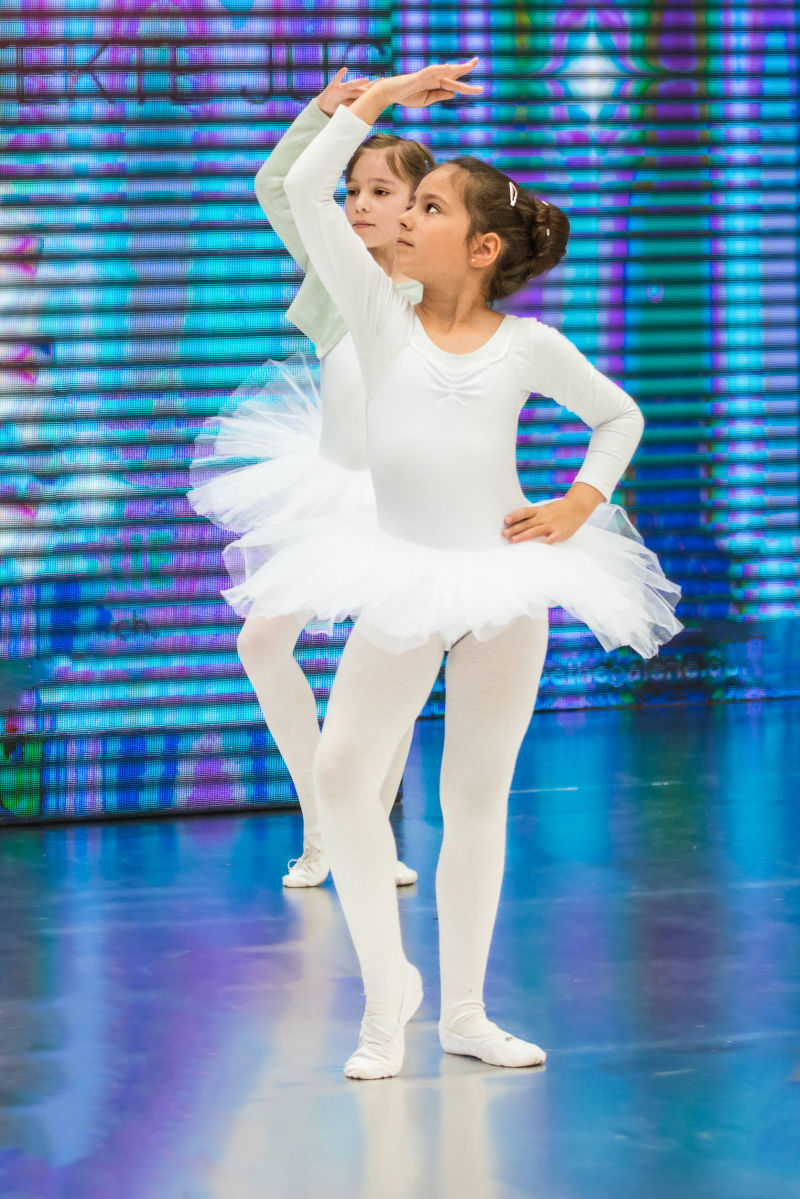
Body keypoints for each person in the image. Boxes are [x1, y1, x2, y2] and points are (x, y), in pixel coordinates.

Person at [232, 58, 682, 1080]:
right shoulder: (372, 309)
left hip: (502, 587)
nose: (399, 217)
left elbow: (618, 416)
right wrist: (375, 103)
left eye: (425, 207)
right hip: (403, 575)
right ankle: (384, 996)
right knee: (343, 774)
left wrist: (579, 501)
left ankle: (466, 1012)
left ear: (480, 249)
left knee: (475, 796)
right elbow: (307, 188)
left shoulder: (527, 345)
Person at [188, 69, 434, 889]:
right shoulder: (335, 270)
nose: (358, 204)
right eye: (352, 189)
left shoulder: (438, 290)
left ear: (419, 205)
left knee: (395, 668)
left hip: (406, 501)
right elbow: (277, 185)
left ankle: (371, 834)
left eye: (380, 192)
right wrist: (326, 110)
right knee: (261, 640)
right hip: (330, 486)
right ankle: (323, 823)